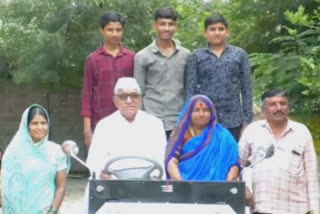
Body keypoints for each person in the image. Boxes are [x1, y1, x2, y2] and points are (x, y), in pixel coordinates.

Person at [239, 89, 320, 214]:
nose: (278, 108)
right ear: (263, 110)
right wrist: (243, 189)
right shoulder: (252, 130)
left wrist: (314, 209)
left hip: (296, 209)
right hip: (262, 208)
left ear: (289, 107)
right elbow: (236, 165)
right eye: (273, 104)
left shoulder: (301, 132)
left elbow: (311, 174)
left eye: (283, 103)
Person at [186, 14, 253, 141]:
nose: (217, 33)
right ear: (206, 33)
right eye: (212, 29)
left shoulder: (239, 54)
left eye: (220, 29)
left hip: (233, 118)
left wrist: (247, 120)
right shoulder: (196, 56)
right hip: (205, 117)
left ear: (227, 32)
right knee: (207, 155)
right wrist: (191, 118)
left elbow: (247, 88)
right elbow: (191, 89)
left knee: (231, 156)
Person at [86, 77, 167, 180]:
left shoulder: (155, 124)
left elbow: (161, 159)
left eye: (134, 96)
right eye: (123, 96)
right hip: (113, 185)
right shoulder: (104, 126)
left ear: (140, 99)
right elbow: (94, 161)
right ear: (115, 101)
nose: (129, 101)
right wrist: (101, 174)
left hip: (146, 184)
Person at [134, 7, 190, 139]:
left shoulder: (186, 55)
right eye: (162, 24)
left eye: (171, 24)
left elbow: (189, 89)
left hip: (178, 120)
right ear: (155, 25)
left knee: (178, 158)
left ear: (176, 26)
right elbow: (139, 92)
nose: (167, 28)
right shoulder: (142, 56)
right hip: (151, 119)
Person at [1, 104, 69, 214]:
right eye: (34, 123)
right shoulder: (13, 152)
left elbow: (61, 187)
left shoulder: (57, 151)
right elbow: (6, 185)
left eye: (43, 123)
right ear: (26, 126)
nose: (40, 127)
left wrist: (53, 211)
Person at [81, 12, 135, 148]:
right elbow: (87, 94)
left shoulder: (132, 57)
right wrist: (87, 130)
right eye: (110, 30)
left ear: (123, 31)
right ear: (102, 30)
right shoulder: (93, 59)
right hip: (100, 122)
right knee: (101, 166)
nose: (115, 34)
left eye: (118, 30)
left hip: (127, 121)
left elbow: (137, 93)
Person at [165, 94, 240, 181]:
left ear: (212, 113)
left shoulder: (223, 135)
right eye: (196, 110)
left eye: (205, 110)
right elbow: (172, 161)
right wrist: (181, 182)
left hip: (219, 187)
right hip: (187, 186)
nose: (201, 114)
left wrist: (234, 172)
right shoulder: (180, 134)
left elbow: (235, 161)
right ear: (189, 113)